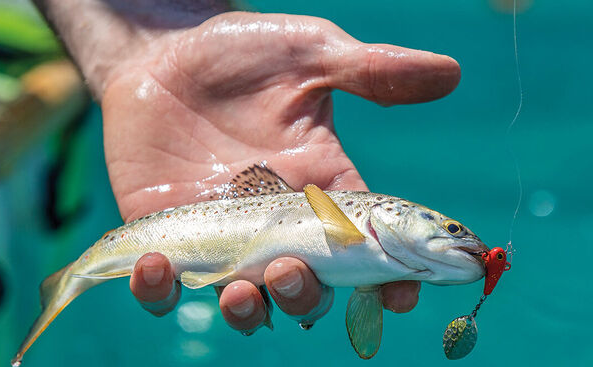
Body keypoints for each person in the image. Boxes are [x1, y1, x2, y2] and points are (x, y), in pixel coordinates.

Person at [33, 0, 461, 334]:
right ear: (390, 214)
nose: (455, 237)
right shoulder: (364, 225)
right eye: (450, 229)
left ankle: (71, 279)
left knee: (275, 288)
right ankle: (73, 278)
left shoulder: (385, 257)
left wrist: (135, 53)